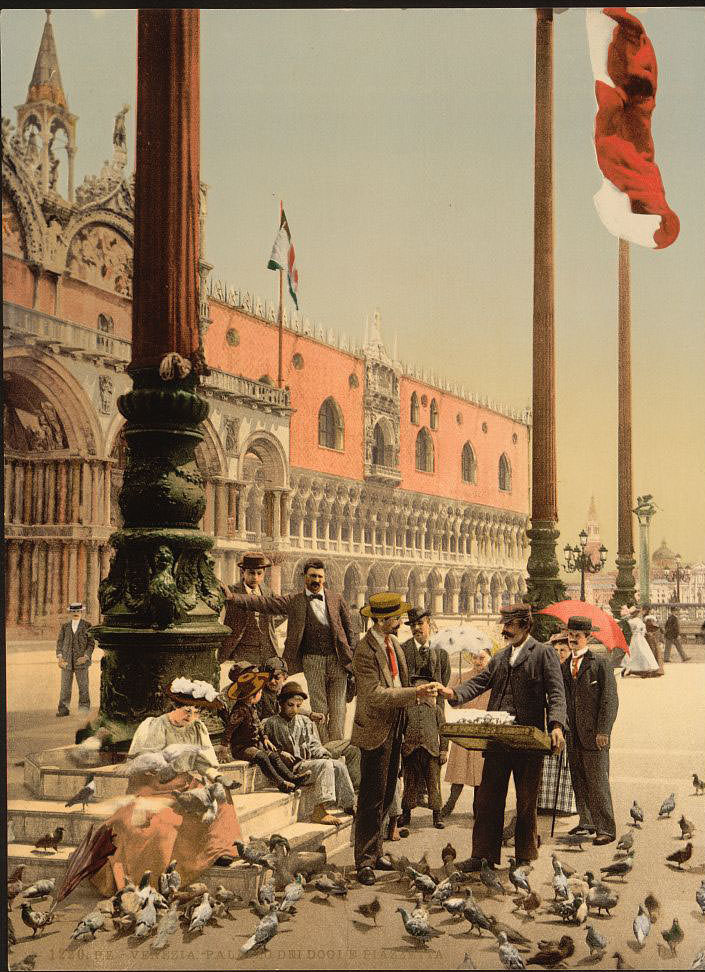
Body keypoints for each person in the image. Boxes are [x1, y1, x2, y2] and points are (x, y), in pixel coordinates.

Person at [437, 603, 566, 870]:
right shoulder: (500, 656)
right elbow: (480, 682)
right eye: (504, 625)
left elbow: (556, 693)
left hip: (529, 740)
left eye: (510, 625)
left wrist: (556, 726)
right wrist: (454, 694)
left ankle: (524, 857)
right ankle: (482, 855)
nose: (505, 630)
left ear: (525, 626)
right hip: (497, 737)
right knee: (487, 798)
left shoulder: (543, 654)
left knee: (526, 800)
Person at [92, 678, 242, 896]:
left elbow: (202, 762)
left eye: (196, 712)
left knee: (220, 795)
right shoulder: (155, 726)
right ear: (174, 708)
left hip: (184, 782)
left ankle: (220, 849)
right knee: (162, 823)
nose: (191, 717)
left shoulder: (197, 728)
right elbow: (144, 763)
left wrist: (218, 777)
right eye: (187, 711)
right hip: (154, 785)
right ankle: (152, 879)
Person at [352, 592, 443, 885]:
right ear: (380, 620)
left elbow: (400, 684)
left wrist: (421, 696)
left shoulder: (395, 646)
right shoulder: (364, 650)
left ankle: (377, 852)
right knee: (370, 797)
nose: (401, 621)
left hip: (395, 727)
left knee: (388, 791)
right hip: (375, 729)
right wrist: (414, 694)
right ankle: (363, 860)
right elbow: (374, 694)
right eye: (395, 617)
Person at [224, 558, 355, 744]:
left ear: (324, 578)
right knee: (320, 708)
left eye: (319, 576)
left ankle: (338, 746)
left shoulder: (337, 599)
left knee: (339, 709)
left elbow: (350, 631)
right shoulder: (294, 600)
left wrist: (353, 657)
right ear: (305, 577)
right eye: (312, 576)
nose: (316, 580)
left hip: (338, 661)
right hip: (312, 660)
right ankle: (326, 749)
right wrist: (234, 597)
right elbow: (264, 603)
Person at [561, 616, 619, 845]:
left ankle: (606, 828)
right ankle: (587, 822)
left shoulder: (600, 663)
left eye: (577, 635)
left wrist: (603, 731)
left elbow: (610, 700)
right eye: (570, 634)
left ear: (588, 637)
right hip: (572, 734)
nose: (572, 639)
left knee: (598, 781)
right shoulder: (564, 665)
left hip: (595, 735)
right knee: (578, 778)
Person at [264, 681, 355, 825]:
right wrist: (281, 753)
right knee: (325, 766)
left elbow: (313, 744)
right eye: (290, 705)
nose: (294, 709)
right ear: (281, 703)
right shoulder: (271, 723)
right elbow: (265, 746)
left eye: (298, 706)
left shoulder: (304, 721)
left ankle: (349, 804)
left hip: (307, 765)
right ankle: (319, 810)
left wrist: (323, 753)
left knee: (337, 764)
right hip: (290, 770)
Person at [226, 668, 311, 793]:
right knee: (263, 757)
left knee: (274, 755)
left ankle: (293, 778)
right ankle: (281, 783)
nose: (261, 694)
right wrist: (223, 747)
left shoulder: (252, 708)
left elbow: (258, 726)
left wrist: (265, 738)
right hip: (241, 747)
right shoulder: (240, 710)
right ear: (252, 694)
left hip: (253, 745)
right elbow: (229, 729)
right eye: (260, 692)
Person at [401, 606, 450, 810]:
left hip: (434, 709)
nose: (416, 628)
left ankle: (433, 802)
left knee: (432, 759)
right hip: (411, 709)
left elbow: (444, 681)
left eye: (420, 624)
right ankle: (412, 802)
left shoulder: (441, 652)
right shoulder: (403, 650)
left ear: (429, 623)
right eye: (412, 625)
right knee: (412, 757)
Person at [441, 645, 492, 819]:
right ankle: (450, 804)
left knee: (480, 773)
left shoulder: (494, 680)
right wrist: (455, 696)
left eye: (482, 658)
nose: (478, 662)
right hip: (464, 728)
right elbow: (452, 701)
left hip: (483, 730)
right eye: (475, 658)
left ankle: (478, 807)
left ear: (490, 659)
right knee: (459, 771)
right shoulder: (462, 677)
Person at [399, 675, 449, 830]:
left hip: (431, 752)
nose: (423, 691)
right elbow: (400, 730)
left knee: (433, 783)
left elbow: (444, 731)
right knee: (410, 784)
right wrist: (402, 750)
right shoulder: (407, 708)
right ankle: (406, 813)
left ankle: (437, 815)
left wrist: (443, 750)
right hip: (411, 751)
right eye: (419, 688)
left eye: (426, 688)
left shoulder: (436, 709)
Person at [220, 552, 284, 672]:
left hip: (268, 648)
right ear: (242, 572)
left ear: (264, 573)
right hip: (243, 650)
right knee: (247, 683)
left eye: (259, 573)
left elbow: (282, 610)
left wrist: (270, 627)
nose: (255, 577)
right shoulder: (232, 591)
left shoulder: (268, 593)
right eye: (251, 573)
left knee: (266, 684)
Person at [538, 632, 577, 816]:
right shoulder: (546, 668)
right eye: (556, 650)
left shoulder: (573, 670)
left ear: (570, 651)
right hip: (550, 717)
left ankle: (564, 805)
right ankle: (545, 802)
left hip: (568, 719)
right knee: (548, 761)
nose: (559, 653)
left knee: (565, 761)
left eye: (563, 650)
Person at [56, 602, 95, 717]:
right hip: (66, 661)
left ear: (81, 612)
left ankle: (83, 709)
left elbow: (91, 644)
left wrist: (86, 657)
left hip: (81, 661)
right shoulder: (65, 626)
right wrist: (60, 658)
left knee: (83, 686)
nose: (76, 614)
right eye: (73, 612)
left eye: (78, 611)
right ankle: (63, 709)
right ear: (70, 613)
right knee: (65, 688)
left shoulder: (87, 625)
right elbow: (59, 643)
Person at [620, 605, 660, 677]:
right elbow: (642, 629)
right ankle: (645, 668)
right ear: (636, 614)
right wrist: (643, 631)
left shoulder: (631, 621)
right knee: (642, 652)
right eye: (637, 613)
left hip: (636, 637)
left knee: (634, 653)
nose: (639, 614)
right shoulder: (637, 620)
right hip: (639, 638)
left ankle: (631, 667)